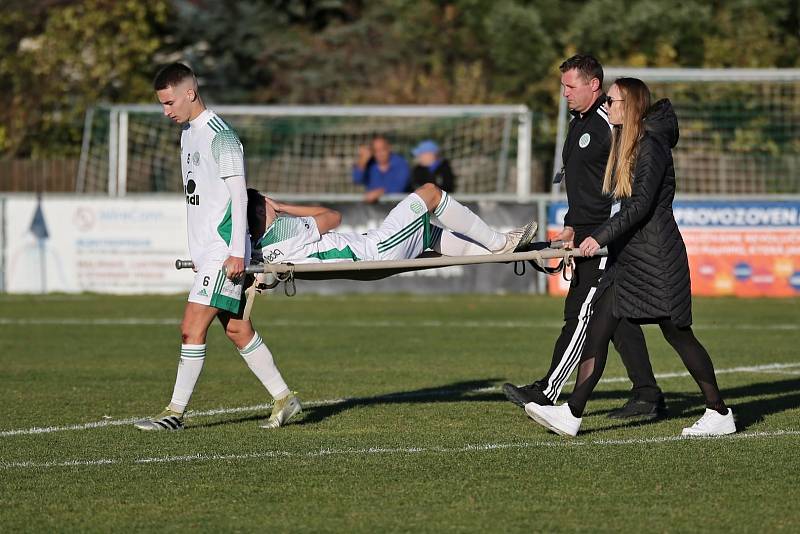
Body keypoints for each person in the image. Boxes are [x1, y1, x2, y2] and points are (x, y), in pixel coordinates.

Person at [525, 78, 736, 437]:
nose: (607, 105)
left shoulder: (651, 145)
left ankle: (719, 412)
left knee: (678, 333)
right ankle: (572, 413)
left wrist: (599, 237)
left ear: (632, 105)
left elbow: (640, 206)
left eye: (613, 100)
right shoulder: (629, 142)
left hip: (657, 257)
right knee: (599, 323)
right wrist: (582, 228)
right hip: (630, 258)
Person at [134, 63, 301, 431]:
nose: (166, 111)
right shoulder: (187, 134)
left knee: (191, 327)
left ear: (189, 93)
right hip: (210, 253)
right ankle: (285, 399)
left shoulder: (221, 135)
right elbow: (201, 200)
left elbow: (238, 197)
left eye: (169, 102)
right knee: (238, 330)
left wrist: (235, 252)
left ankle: (174, 414)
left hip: (224, 253)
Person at [503, 55, 666, 419]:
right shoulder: (578, 124)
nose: (564, 94)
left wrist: (605, 232)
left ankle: (547, 389)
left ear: (594, 85)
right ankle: (647, 394)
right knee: (617, 319)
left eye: (570, 86)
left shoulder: (614, 122)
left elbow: (628, 181)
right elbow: (586, 186)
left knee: (580, 314)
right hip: (586, 235)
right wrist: (572, 225)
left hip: (606, 238)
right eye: (562, 86)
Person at [247, 183, 537, 267]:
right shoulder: (283, 230)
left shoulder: (260, 249)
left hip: (371, 253)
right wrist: (285, 206)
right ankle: (500, 244)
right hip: (377, 249)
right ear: (263, 210)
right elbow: (334, 217)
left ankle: (497, 252)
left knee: (427, 232)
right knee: (431, 193)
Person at [352, 135, 410, 203]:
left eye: (382, 149)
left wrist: (379, 193)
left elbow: (399, 188)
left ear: (389, 148)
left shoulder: (401, 164)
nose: (379, 153)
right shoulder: (369, 164)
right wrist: (363, 160)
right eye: (376, 150)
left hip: (396, 206)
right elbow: (357, 179)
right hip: (373, 208)